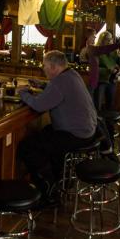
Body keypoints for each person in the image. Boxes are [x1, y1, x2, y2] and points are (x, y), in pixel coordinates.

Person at [17, 50, 100, 198]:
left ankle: (48, 188)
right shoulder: (72, 74)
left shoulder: (60, 82)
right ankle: (60, 177)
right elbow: (58, 90)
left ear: (54, 67)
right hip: (88, 131)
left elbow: (38, 105)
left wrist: (22, 93)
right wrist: (43, 85)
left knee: (27, 147)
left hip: (76, 135)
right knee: (44, 134)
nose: (43, 69)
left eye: (45, 66)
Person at [89, 31, 120, 112]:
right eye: (108, 39)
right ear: (102, 40)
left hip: (112, 80)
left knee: (110, 104)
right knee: (98, 104)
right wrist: (108, 70)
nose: (110, 41)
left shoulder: (113, 51)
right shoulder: (97, 50)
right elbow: (94, 69)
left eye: (111, 39)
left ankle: (108, 123)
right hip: (101, 80)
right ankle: (98, 122)